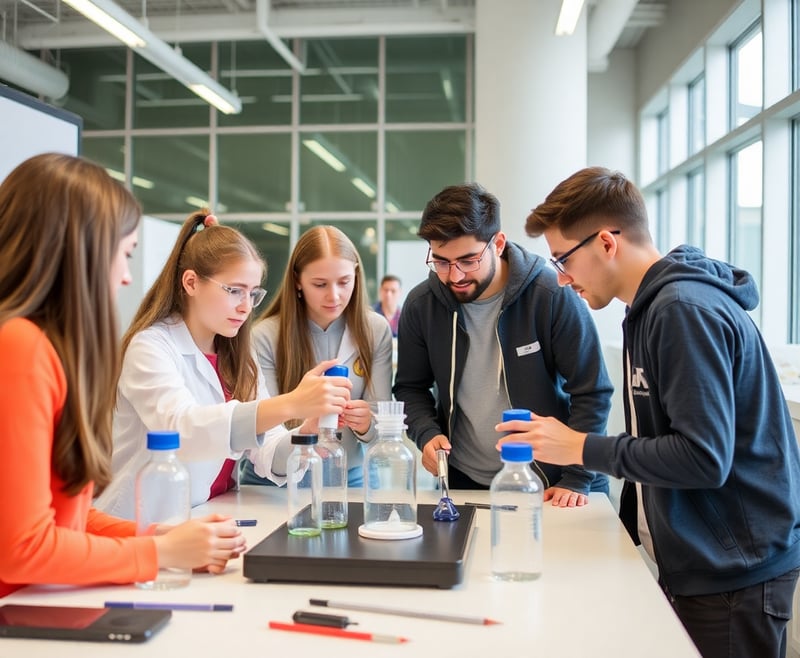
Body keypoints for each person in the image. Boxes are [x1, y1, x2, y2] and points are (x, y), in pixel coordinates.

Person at [514, 166, 800, 658]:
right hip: (703, 559)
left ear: (606, 243)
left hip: (732, 571)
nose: (561, 279)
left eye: (563, 259)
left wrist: (578, 446)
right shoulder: (648, 308)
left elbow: (703, 458)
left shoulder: (682, 310)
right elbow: (659, 437)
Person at [0, 153, 246, 598]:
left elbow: (66, 519)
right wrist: (161, 554)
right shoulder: (21, 347)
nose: (127, 276)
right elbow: (23, 547)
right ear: (81, 251)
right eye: (124, 254)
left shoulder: (45, 347)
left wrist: (161, 539)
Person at [95, 211, 352, 520]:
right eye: (234, 290)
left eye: (253, 293)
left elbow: (267, 450)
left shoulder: (239, 353)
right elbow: (183, 430)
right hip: (141, 521)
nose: (245, 306)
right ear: (191, 282)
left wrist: (304, 435)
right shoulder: (150, 347)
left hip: (210, 514)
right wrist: (291, 403)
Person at [393, 183, 613, 506]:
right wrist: (426, 433)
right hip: (464, 484)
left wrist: (577, 477)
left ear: (498, 243)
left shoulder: (551, 294)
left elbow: (592, 391)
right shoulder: (421, 305)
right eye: (440, 261)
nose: (454, 276)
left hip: (555, 485)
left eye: (468, 260)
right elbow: (410, 388)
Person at [240, 225, 393, 487]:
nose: (334, 295)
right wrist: (305, 422)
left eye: (344, 282)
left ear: (356, 275)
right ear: (298, 281)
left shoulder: (375, 330)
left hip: (349, 476)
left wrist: (367, 423)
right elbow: (266, 439)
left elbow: (382, 431)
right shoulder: (264, 336)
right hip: (275, 482)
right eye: (320, 284)